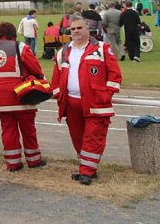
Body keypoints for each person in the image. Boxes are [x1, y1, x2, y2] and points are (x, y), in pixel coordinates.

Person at [51, 15, 122, 185]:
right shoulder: (64, 52)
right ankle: (87, 166)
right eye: (73, 29)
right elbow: (56, 77)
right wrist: (59, 97)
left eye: (79, 28)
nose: (76, 31)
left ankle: (87, 172)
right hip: (71, 104)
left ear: (87, 29)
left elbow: (115, 75)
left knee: (93, 137)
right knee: (78, 138)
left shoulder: (102, 49)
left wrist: (106, 95)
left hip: (95, 104)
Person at [0, 21, 46, 171]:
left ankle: (13, 163)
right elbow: (36, 68)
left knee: (8, 130)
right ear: (14, 33)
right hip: (21, 96)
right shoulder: (21, 48)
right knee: (28, 129)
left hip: (0, 99)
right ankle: (34, 160)